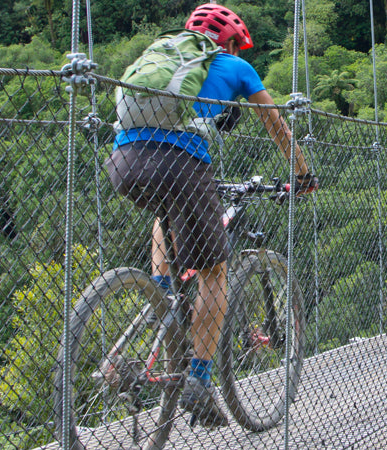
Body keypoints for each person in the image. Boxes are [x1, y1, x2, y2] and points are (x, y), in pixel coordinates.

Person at [104, 3, 317, 428]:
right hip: (179, 164)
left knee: (166, 210)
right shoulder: (236, 67)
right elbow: (275, 124)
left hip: (123, 161)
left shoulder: (165, 55)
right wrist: (303, 173)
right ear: (232, 42)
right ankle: (199, 381)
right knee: (214, 273)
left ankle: (161, 294)